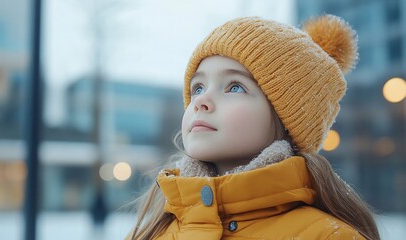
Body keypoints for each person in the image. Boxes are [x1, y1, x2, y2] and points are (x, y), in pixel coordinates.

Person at [128, 14, 380, 240]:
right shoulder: (152, 232)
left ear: (286, 119)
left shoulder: (328, 236)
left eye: (234, 86)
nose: (201, 101)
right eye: (198, 88)